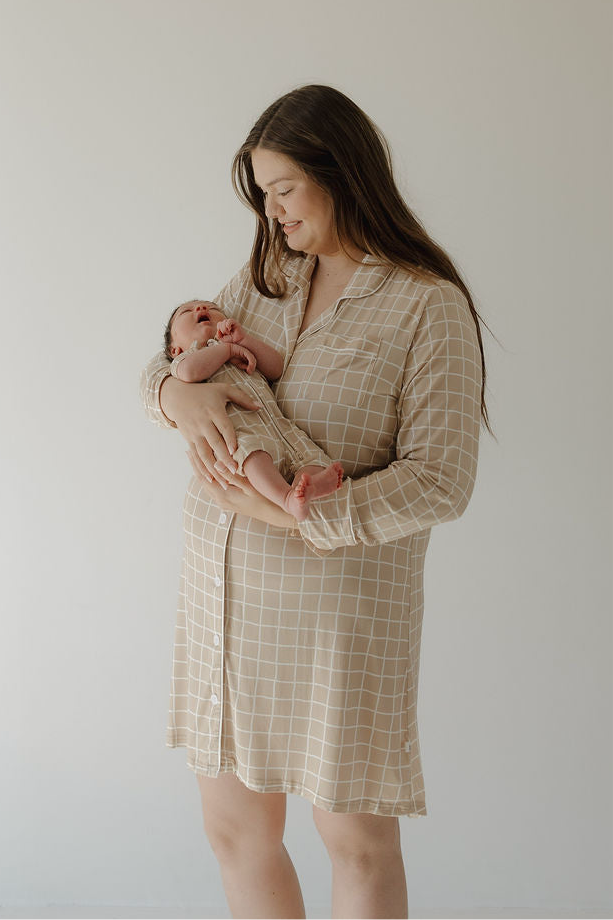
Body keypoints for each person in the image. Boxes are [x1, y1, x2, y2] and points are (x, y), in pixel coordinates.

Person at [140, 84, 490, 920]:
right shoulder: (266, 278)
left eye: (284, 189)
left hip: (338, 614)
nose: (272, 213)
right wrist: (169, 396)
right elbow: (179, 351)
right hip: (225, 601)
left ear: (343, 173)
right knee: (233, 830)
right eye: (262, 196)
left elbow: (440, 478)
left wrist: (299, 517)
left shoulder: (425, 304)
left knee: (355, 843)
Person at [165, 298, 344, 521]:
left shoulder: (239, 347)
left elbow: (276, 368)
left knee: (311, 457)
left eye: (213, 308)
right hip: (245, 435)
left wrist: (244, 340)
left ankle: (306, 489)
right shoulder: (183, 361)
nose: (201, 309)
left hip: (281, 428)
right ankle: (286, 498)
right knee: (254, 460)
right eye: (186, 311)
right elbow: (191, 373)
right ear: (174, 348)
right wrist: (227, 349)